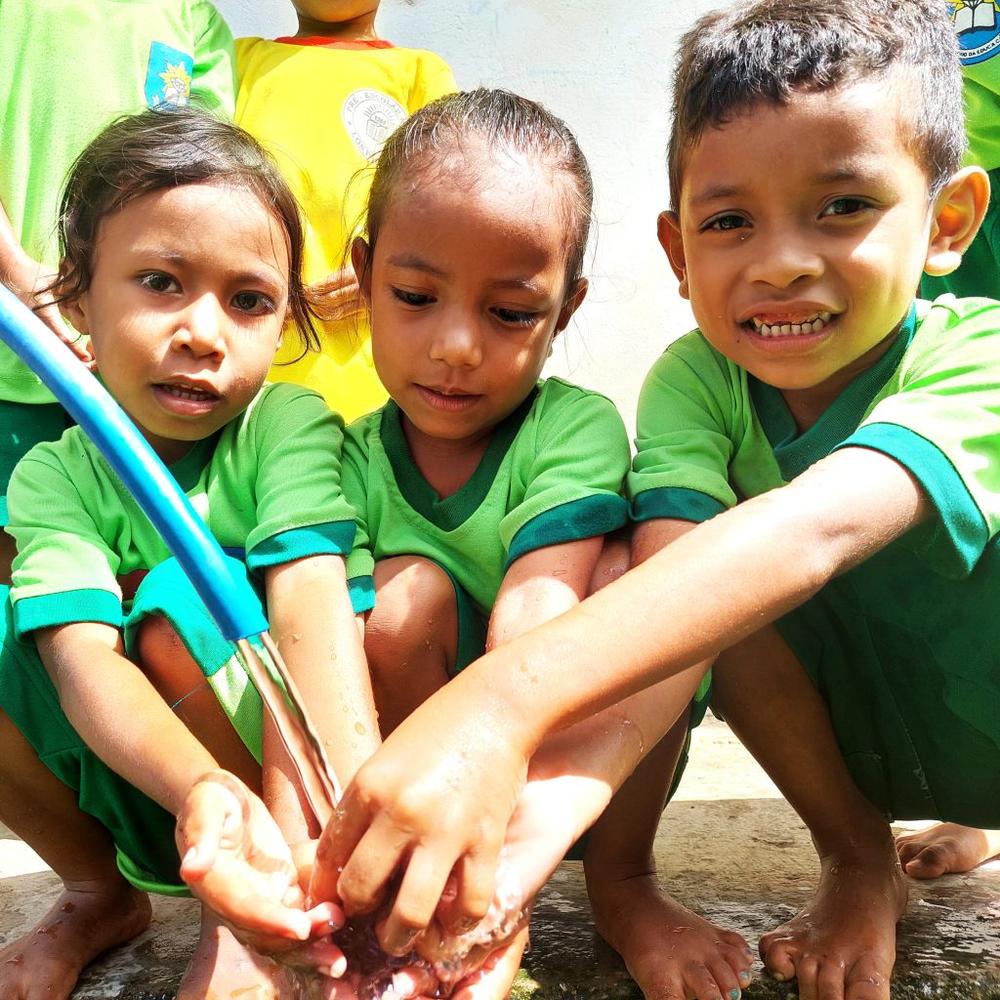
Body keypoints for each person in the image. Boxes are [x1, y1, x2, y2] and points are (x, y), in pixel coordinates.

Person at [305, 3, 1000, 999]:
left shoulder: (978, 355)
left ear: (946, 224)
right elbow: (677, 602)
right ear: (678, 253)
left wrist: (495, 711)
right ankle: (857, 857)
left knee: (747, 558)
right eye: (729, 221)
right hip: (877, 745)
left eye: (841, 206)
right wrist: (514, 865)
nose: (779, 261)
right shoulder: (699, 382)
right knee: (695, 591)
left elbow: (812, 530)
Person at [0, 107, 379, 1000]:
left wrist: (326, 845)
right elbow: (80, 658)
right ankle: (100, 892)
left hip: (297, 783)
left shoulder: (283, 426)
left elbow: (314, 604)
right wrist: (201, 788)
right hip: (157, 783)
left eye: (249, 301)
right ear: (77, 301)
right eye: (161, 282)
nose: (204, 332)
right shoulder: (54, 475)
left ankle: (264, 909)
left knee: (179, 596)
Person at [0, 0, 236, 585]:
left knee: (123, 576)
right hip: (9, 369)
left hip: (131, 381)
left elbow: (201, 186)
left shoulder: (194, 21)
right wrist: (17, 273)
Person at [234, 0, 456, 423]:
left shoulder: (419, 73)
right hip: (256, 366)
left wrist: (388, 270)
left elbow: (452, 199)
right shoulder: (243, 62)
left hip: (379, 375)